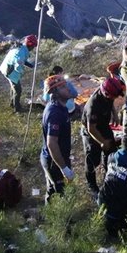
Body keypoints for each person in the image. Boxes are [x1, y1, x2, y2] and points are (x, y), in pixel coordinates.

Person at [81, 76, 125, 198]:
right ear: (106, 94)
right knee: (92, 160)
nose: (115, 98)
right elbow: (91, 128)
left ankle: (109, 178)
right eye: (113, 96)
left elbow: (110, 102)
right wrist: (102, 142)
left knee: (111, 153)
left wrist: (114, 114)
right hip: (92, 132)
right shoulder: (93, 105)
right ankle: (92, 186)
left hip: (104, 126)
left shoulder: (109, 93)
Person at [40, 75, 75, 203]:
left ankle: (48, 212)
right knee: (60, 193)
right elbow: (52, 143)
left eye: (66, 85)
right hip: (53, 161)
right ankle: (62, 220)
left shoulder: (61, 107)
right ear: (55, 92)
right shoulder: (54, 113)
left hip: (58, 158)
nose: (68, 89)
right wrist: (63, 168)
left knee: (52, 189)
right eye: (63, 87)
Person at [0, 34, 37, 112]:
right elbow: (18, 63)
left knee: (14, 87)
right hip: (10, 71)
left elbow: (22, 60)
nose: (33, 48)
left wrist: (31, 65)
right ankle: (17, 108)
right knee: (18, 90)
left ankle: (12, 103)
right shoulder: (22, 52)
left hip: (6, 68)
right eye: (33, 46)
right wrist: (21, 71)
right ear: (30, 45)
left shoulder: (21, 47)